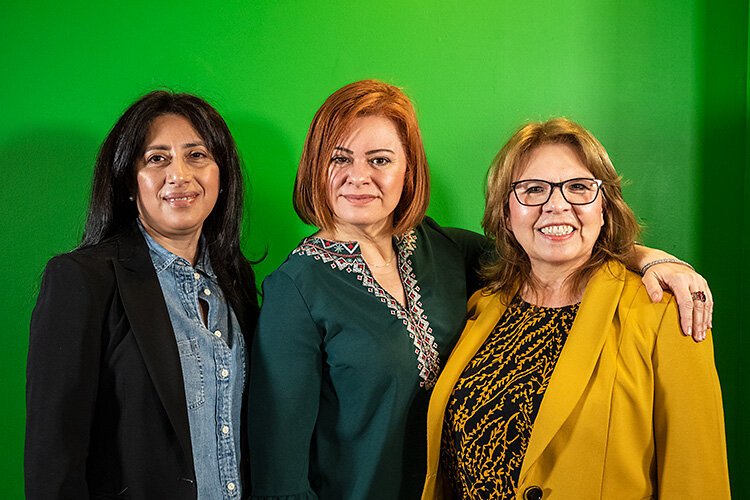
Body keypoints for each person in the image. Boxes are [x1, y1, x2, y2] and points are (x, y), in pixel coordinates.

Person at [249, 81, 714, 500]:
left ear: (409, 170)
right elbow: (280, 475)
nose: (360, 175)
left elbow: (549, 241)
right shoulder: (296, 290)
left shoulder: (447, 250)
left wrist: (651, 258)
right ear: (315, 165)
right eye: (340, 157)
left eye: (381, 159)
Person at [422, 118, 730, 499]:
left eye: (579, 188)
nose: (556, 205)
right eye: (533, 190)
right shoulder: (479, 306)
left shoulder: (665, 312)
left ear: (604, 207)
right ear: (505, 213)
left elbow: (698, 479)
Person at [25, 91, 259, 499]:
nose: (180, 176)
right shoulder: (81, 280)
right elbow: (53, 458)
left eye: (197, 155)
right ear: (128, 182)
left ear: (222, 175)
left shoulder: (234, 282)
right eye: (157, 158)